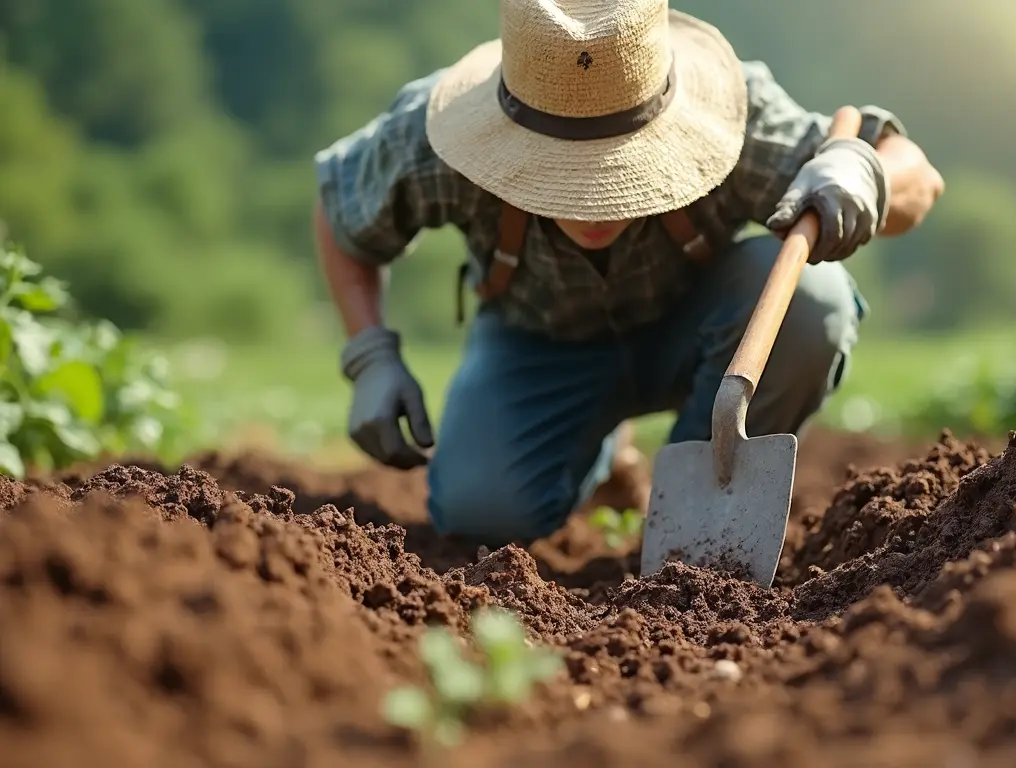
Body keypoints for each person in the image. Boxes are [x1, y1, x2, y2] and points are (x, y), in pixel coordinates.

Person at [312, 0, 944, 546]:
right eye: (562, 174)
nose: (593, 203)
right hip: (540, 345)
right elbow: (339, 209)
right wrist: (369, 354)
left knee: (815, 301)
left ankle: (697, 513)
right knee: (480, 513)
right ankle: (602, 451)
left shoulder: (737, 119)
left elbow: (918, 173)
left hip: (702, 331)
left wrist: (869, 173)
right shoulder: (433, 137)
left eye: (614, 168)